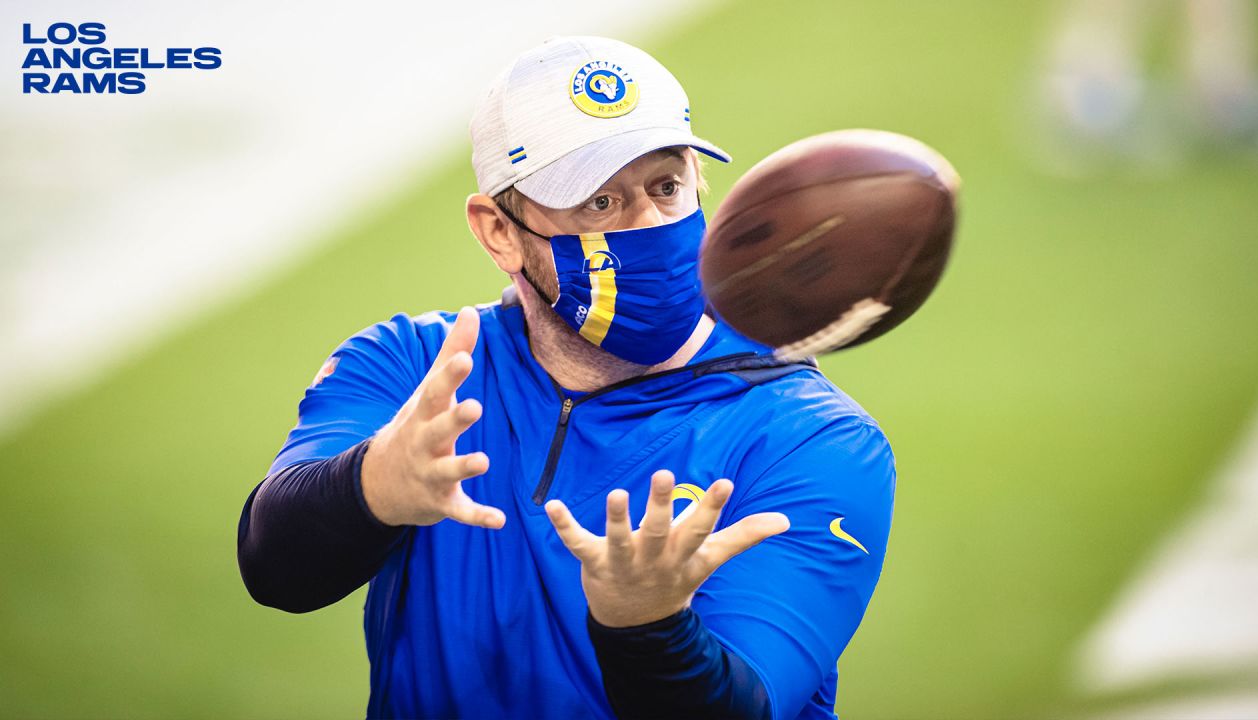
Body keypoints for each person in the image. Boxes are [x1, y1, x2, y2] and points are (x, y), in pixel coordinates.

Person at [237, 35, 896, 720]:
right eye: (600, 203)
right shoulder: (415, 369)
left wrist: (646, 625)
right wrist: (373, 486)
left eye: (667, 187)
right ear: (499, 231)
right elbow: (274, 569)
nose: (649, 224)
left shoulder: (808, 437)